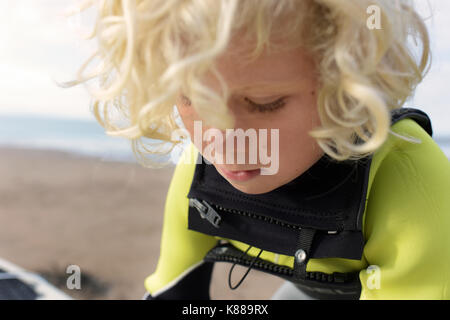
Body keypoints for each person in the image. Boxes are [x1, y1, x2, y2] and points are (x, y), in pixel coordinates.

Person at [69, 0, 450, 299]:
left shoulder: (411, 182)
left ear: (347, 84)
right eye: (191, 99)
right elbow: (174, 292)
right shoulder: (201, 165)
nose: (222, 144)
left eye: (264, 103)